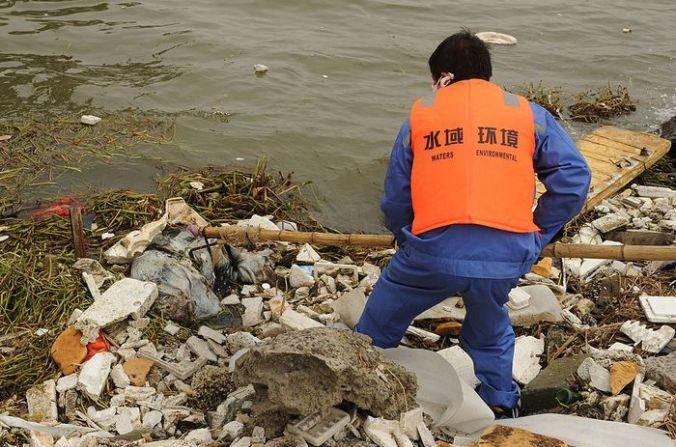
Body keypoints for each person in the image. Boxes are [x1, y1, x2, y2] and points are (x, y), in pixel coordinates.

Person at [355, 30, 591, 417]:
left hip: (431, 256)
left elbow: (396, 198)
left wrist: (407, 238)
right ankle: (500, 403)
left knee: (378, 324)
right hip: (505, 258)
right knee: (490, 325)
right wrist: (537, 233)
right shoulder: (528, 113)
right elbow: (574, 178)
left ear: (441, 76)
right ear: (486, 73)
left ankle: (358, 381)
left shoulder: (421, 116)